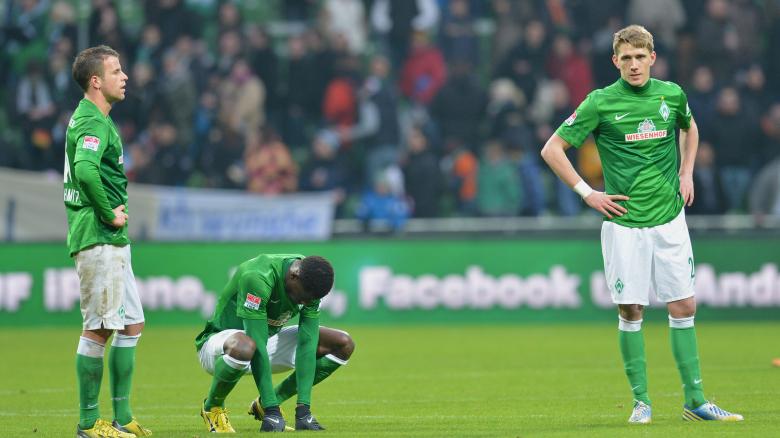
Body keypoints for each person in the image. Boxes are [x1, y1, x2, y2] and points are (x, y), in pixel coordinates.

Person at [540, 25, 743, 424]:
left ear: (653, 57)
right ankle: (642, 402)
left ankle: (696, 402)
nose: (634, 65)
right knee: (632, 309)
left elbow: (690, 126)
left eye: (640, 56)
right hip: (625, 223)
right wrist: (588, 193)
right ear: (615, 61)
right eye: (626, 58)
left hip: (669, 218)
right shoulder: (600, 102)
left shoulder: (672, 94)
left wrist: (687, 172)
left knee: (684, 304)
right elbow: (552, 149)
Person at [64, 46, 151, 437]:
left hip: (111, 239)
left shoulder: (94, 118)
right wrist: (108, 213)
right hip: (99, 235)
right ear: (95, 81)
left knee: (131, 325)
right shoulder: (93, 123)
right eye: (116, 70)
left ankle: (122, 416)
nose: (125, 76)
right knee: (99, 329)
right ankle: (88, 424)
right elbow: (84, 170)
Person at [195, 254, 355, 433]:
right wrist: (273, 411)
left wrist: (304, 409)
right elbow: (256, 341)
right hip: (221, 347)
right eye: (303, 297)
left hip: (265, 343)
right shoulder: (257, 278)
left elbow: (307, 344)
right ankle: (212, 407)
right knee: (246, 345)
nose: (305, 302)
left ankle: (266, 404)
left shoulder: (310, 278)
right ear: (294, 275)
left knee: (343, 343)